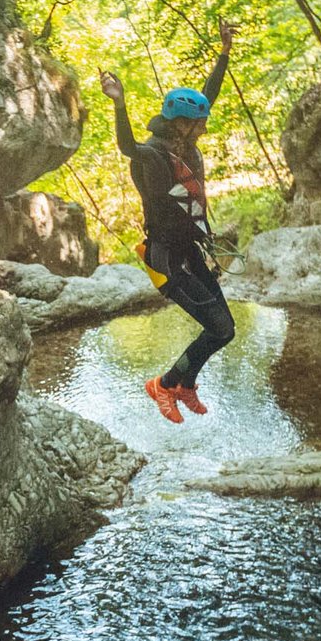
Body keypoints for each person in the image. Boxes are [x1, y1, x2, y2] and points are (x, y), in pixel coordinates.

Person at [98, 21, 237, 424]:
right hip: (168, 260)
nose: (206, 126)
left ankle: (184, 385)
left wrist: (223, 54)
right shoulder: (155, 156)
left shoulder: (186, 144)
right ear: (181, 123)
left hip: (190, 252)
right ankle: (163, 385)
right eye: (199, 122)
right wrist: (119, 103)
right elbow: (127, 147)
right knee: (218, 328)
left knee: (224, 330)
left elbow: (207, 96)